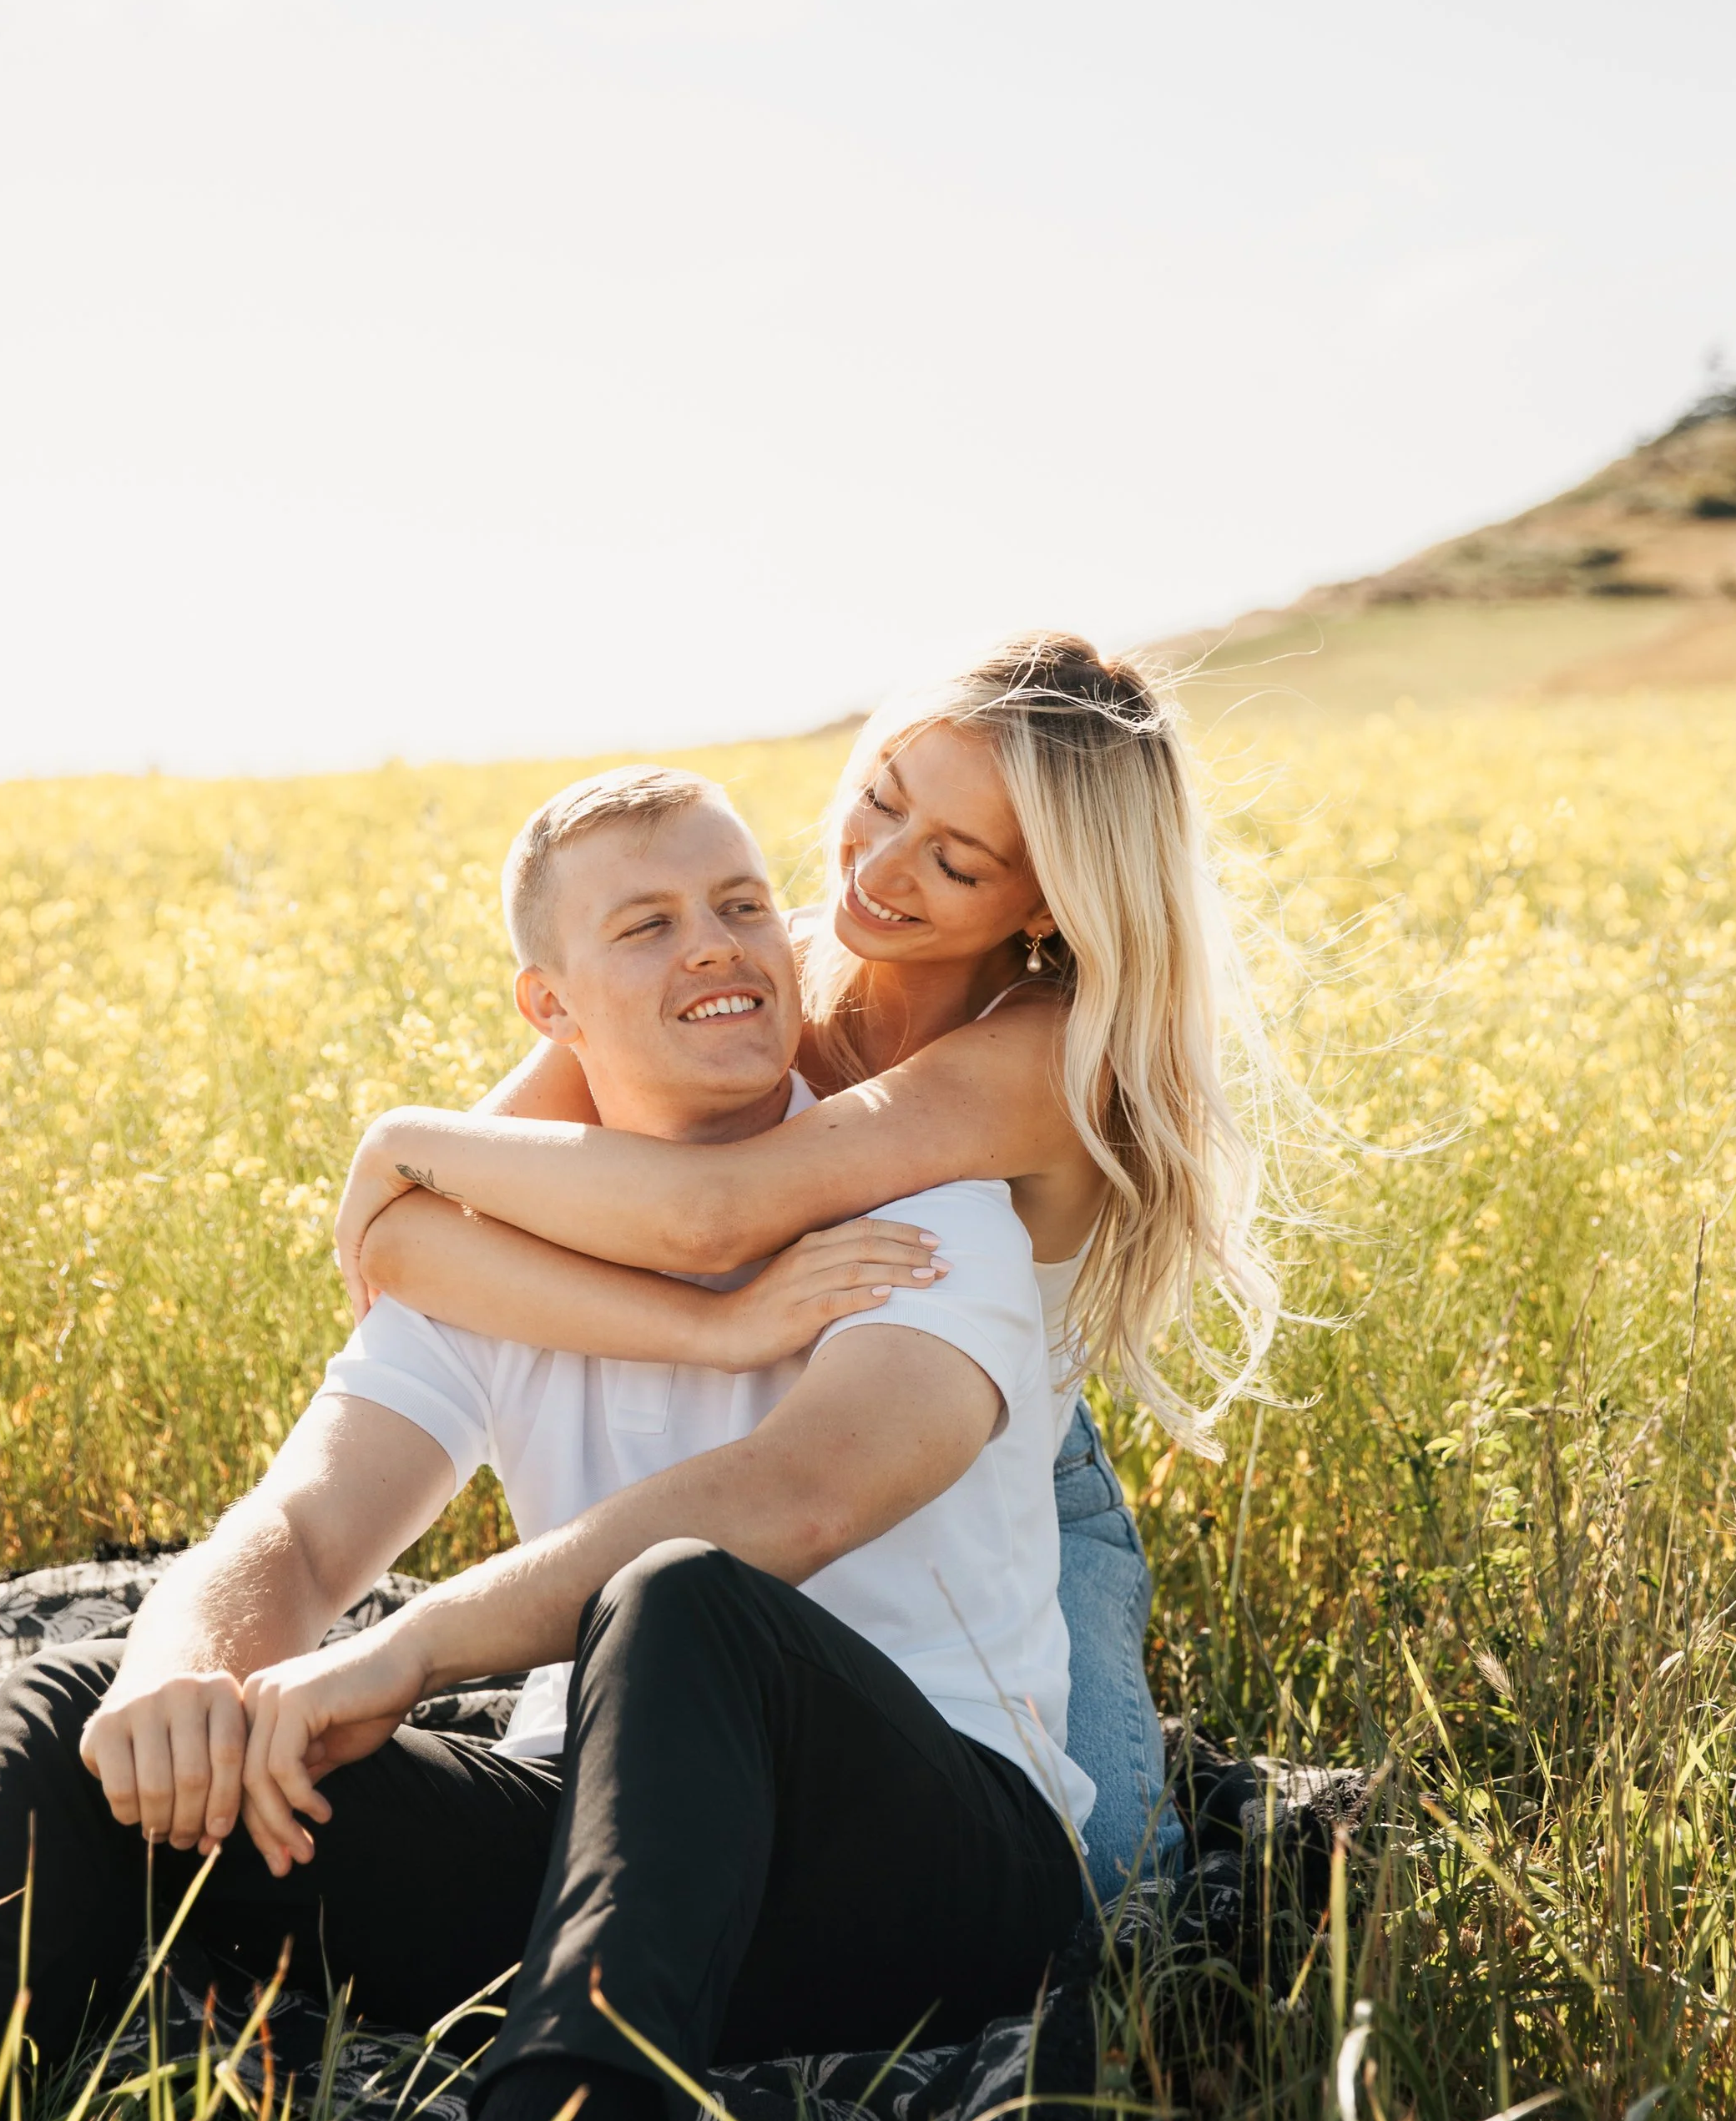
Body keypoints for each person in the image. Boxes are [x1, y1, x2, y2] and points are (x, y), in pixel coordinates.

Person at [0, 768, 1090, 2121]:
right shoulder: (508, 1243)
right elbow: (305, 1525)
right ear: (550, 1005)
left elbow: (799, 1497)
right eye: (650, 922)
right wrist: (185, 1679)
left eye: (744, 903)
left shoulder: (926, 1208)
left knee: (680, 1604)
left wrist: (406, 1650)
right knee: (83, 1706)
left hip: (929, 1863)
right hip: (606, 1865)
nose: (722, 948)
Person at [331, 633, 1278, 1886]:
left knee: (1093, 1881)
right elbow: (420, 1240)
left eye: (954, 858)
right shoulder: (763, 957)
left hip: (997, 1485)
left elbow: (709, 1216)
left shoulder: (1049, 1053)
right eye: (883, 797)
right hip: (740, 1449)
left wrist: (402, 1138)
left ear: (1047, 903)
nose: (878, 869)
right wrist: (699, 1331)